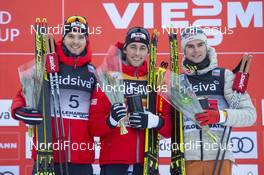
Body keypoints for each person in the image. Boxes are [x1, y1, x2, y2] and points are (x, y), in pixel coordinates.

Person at [11, 15, 96, 175]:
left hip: (81, 159)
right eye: (70, 36)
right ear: (63, 38)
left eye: (80, 37)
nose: (75, 42)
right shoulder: (46, 66)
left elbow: (99, 110)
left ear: (86, 40)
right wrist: (20, 111)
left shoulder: (92, 73)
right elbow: (23, 95)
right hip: (48, 155)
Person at [88, 26, 171, 175]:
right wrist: (111, 121)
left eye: (142, 48)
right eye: (133, 47)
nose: (137, 53)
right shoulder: (109, 77)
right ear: (125, 49)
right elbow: (94, 127)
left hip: (148, 160)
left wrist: (156, 121)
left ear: (148, 51)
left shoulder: (157, 79)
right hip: (114, 163)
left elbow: (170, 128)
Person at [176, 26, 257, 175]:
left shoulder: (223, 76)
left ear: (207, 46)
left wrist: (221, 116)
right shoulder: (179, 82)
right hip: (187, 158)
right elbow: (170, 122)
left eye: (200, 45)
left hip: (219, 158)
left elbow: (250, 115)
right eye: (190, 46)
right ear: (184, 50)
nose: (196, 50)